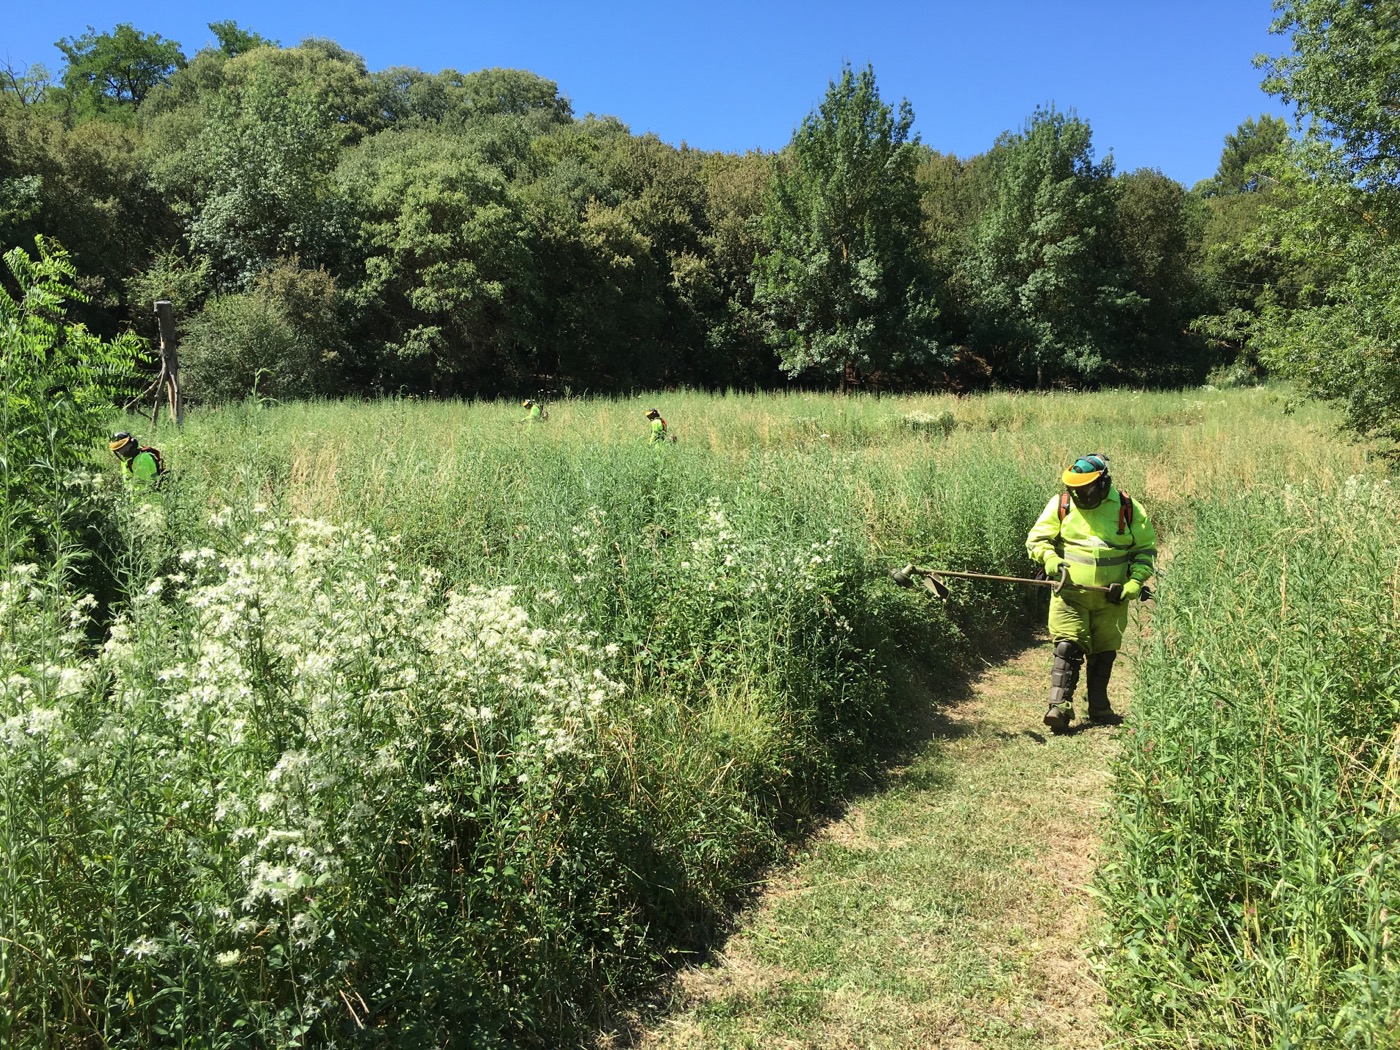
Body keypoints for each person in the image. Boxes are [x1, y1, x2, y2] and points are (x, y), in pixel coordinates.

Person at [1025, 453, 1156, 733]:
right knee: (1067, 647)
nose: (1078, 494)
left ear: (1101, 483)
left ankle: (1099, 707)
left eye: (1084, 489)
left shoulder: (1128, 508)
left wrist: (1135, 583)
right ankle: (1058, 708)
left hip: (1113, 598)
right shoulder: (1061, 505)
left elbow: (1145, 551)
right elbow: (1037, 539)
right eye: (1074, 489)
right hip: (1070, 594)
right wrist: (1049, 559)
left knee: (1104, 653)